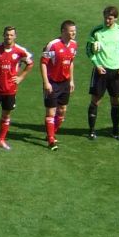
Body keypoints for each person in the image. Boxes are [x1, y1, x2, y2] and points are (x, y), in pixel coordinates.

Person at [0, 25, 33, 150]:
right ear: (3, 35)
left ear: (15, 36)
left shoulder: (20, 51)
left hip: (10, 89)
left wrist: (21, 77)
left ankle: (1, 140)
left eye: (11, 35)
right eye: (7, 34)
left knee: (6, 115)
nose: (9, 37)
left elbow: (30, 63)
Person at [85, 5, 119, 140]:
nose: (107, 21)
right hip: (101, 71)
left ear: (116, 18)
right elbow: (88, 50)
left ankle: (115, 131)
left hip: (116, 71)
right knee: (95, 100)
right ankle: (91, 131)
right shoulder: (96, 31)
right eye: (105, 18)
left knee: (115, 101)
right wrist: (97, 64)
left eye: (110, 18)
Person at [40, 20, 78, 151]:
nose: (74, 33)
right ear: (63, 31)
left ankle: (52, 132)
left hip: (65, 83)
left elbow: (71, 62)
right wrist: (46, 82)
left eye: (75, 30)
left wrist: (71, 80)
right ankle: (51, 140)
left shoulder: (74, 45)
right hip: (52, 83)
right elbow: (44, 62)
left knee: (62, 110)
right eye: (71, 30)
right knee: (51, 111)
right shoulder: (53, 45)